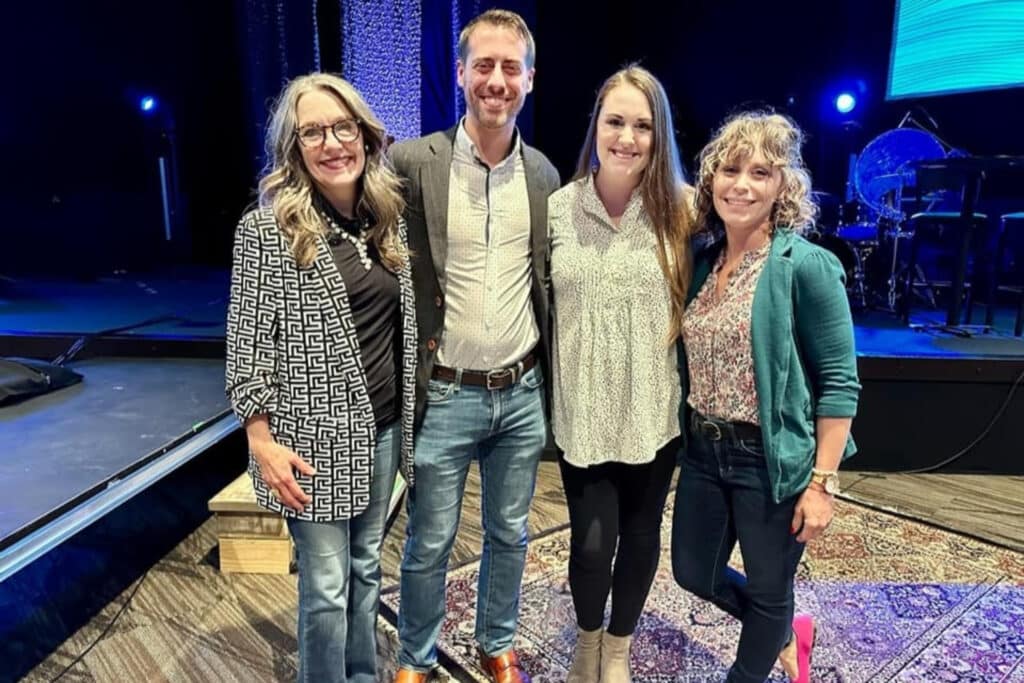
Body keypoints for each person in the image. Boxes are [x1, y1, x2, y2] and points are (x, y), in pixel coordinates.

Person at [224, 72, 417, 683]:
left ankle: (362, 674)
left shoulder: (386, 220)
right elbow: (246, 346)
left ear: (364, 134)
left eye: (343, 127)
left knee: (365, 569)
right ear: (294, 147)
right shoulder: (265, 232)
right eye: (313, 132)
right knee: (327, 586)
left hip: (384, 431)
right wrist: (261, 441)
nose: (332, 143)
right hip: (310, 443)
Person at [388, 9, 560, 683]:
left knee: (509, 533)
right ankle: (415, 656)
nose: (496, 80)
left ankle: (497, 643)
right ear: (460, 73)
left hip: (520, 393)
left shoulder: (544, 176)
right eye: (483, 65)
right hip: (446, 390)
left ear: (530, 80)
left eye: (509, 67)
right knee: (428, 540)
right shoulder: (411, 162)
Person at [670, 111, 861, 683]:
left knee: (771, 584)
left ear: (783, 188)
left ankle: (753, 664)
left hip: (770, 459)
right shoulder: (702, 262)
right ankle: (785, 629)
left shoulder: (806, 266)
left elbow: (840, 383)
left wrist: (823, 484)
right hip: (704, 452)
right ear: (712, 181)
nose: (742, 185)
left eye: (761, 172)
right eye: (730, 170)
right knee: (692, 572)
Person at [547, 65, 692, 683]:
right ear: (596, 126)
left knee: (639, 537)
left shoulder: (684, 210)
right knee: (589, 543)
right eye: (616, 121)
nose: (627, 137)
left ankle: (618, 648)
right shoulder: (557, 207)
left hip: (652, 414)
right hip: (581, 413)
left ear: (659, 136)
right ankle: (587, 641)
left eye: (643, 125)